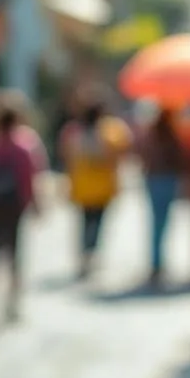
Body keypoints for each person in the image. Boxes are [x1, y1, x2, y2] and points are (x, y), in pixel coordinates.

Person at [0, 91, 46, 321]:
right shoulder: (26, 144)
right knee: (15, 253)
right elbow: (31, 177)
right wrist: (35, 203)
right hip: (15, 205)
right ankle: (12, 301)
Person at [60, 97, 131, 280]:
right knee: (97, 222)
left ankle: (84, 253)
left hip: (81, 185)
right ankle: (91, 253)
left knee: (85, 221)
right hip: (103, 186)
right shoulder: (109, 131)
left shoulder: (74, 131)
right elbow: (120, 153)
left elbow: (66, 157)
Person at [137, 107, 190, 285]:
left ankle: (156, 262)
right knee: (163, 221)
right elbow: (181, 159)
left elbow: (141, 155)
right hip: (166, 179)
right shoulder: (172, 136)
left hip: (153, 179)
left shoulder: (151, 134)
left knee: (156, 222)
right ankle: (157, 262)